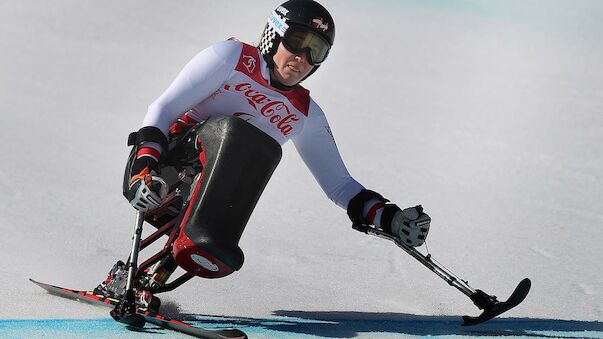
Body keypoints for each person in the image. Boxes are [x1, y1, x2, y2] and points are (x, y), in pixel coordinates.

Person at [103, 0, 431, 305]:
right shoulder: (231, 57)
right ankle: (180, 246)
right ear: (274, 36)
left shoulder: (305, 114)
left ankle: (150, 278)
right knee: (237, 134)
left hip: (210, 196)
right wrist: (143, 168)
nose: (302, 57)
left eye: (315, 50)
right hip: (163, 169)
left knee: (261, 150)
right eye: (297, 41)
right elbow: (162, 108)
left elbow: (340, 186)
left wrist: (390, 217)